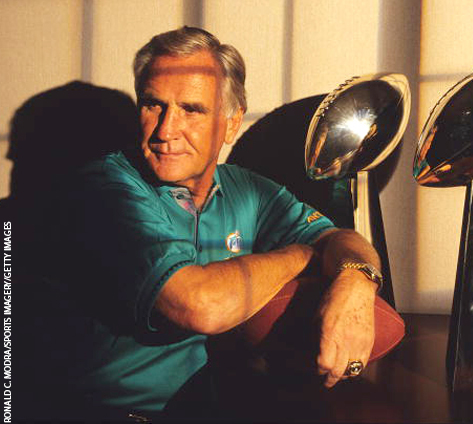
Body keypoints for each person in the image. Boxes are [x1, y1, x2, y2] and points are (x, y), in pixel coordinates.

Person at [18, 26, 383, 421]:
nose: (165, 130)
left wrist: (355, 280)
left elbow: (342, 238)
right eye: (153, 105)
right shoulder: (106, 187)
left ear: (231, 122)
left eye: (191, 109)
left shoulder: (246, 188)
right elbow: (200, 306)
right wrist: (303, 254)